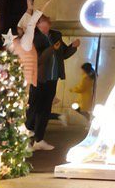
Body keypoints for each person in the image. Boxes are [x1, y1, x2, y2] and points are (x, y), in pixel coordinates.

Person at [29, 14, 79, 151]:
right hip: (39, 79)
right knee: (34, 109)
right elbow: (38, 59)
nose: (46, 26)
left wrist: (73, 47)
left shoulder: (55, 35)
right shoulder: (34, 37)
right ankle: (27, 141)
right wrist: (52, 49)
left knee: (45, 110)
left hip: (52, 78)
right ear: (37, 25)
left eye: (47, 23)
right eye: (43, 23)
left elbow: (63, 54)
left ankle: (39, 139)